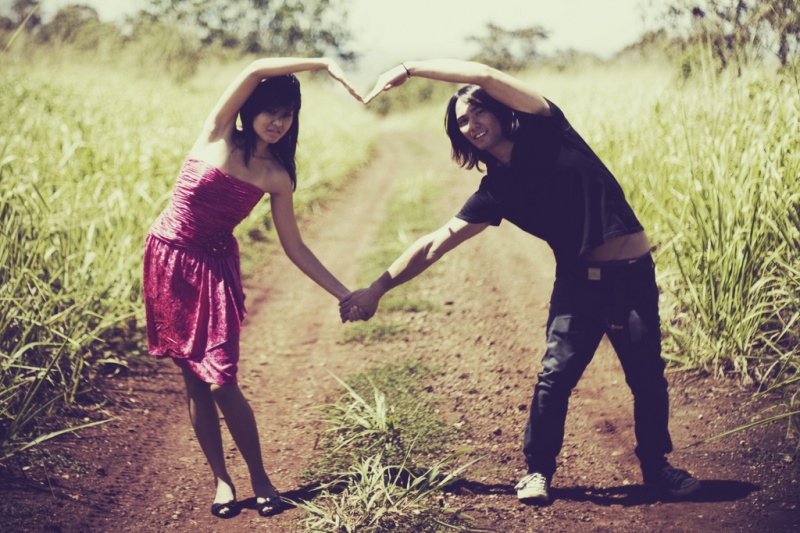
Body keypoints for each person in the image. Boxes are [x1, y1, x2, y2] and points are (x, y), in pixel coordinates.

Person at [340, 59, 700, 503]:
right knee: (555, 376)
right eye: (462, 122)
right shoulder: (497, 190)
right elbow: (436, 242)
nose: (472, 126)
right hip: (579, 284)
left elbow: (485, 75)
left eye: (477, 113)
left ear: (497, 111)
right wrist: (376, 289)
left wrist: (410, 69)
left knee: (647, 377)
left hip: (633, 277)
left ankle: (657, 468)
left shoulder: (548, 128)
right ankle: (538, 472)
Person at [143, 58, 362, 518]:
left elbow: (296, 248)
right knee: (194, 380)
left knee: (220, 377)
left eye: (288, 114)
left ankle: (260, 477)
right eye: (271, 112)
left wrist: (343, 292)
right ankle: (223, 482)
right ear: (249, 111)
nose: (279, 122)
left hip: (213, 270)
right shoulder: (217, 133)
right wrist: (324, 63)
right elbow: (257, 68)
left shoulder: (277, 177)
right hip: (168, 260)